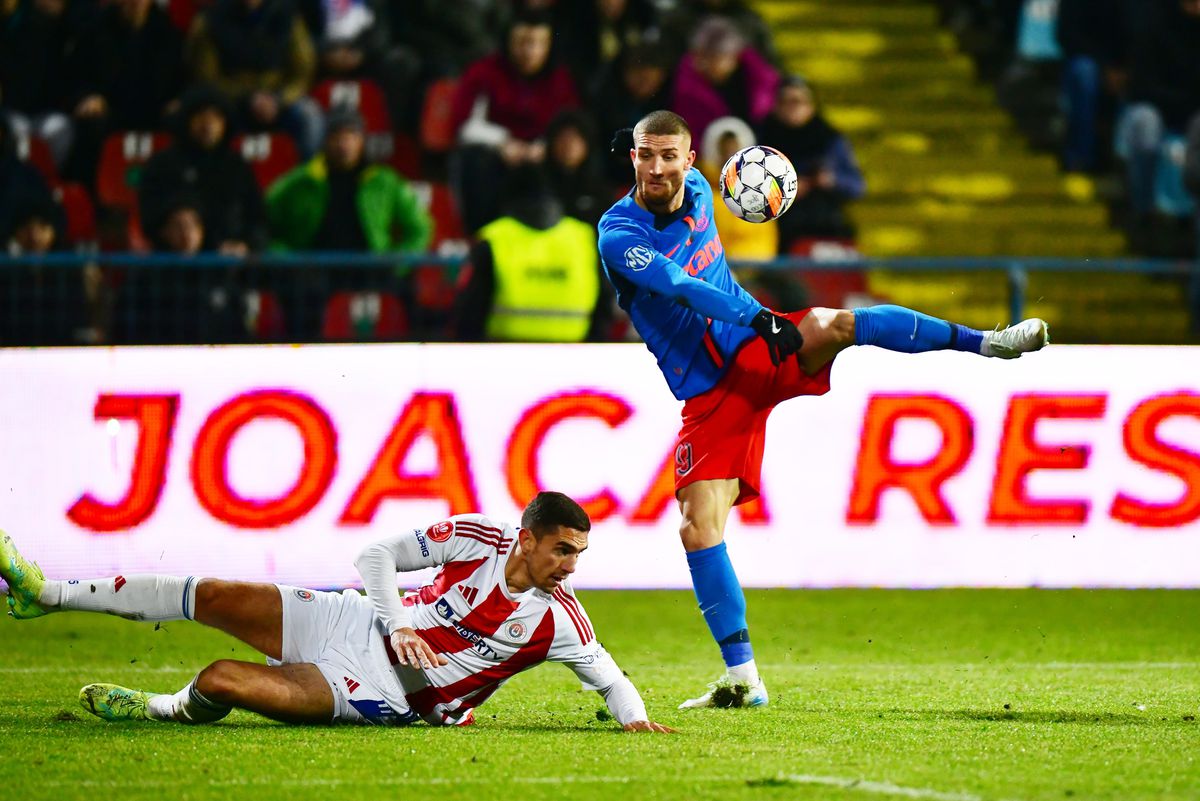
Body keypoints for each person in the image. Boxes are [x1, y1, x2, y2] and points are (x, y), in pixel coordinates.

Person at [597, 111, 1050, 709]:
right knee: (697, 526)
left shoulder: (707, 191)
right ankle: (745, 680)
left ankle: (988, 342)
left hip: (758, 349)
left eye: (668, 156)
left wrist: (759, 321)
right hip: (711, 390)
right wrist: (757, 315)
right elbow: (681, 286)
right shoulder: (618, 234)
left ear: (690, 161)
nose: (657, 168)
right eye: (645, 155)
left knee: (834, 324)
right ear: (631, 157)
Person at [0, 492, 675, 732]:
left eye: (580, 554)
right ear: (528, 537)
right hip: (355, 621)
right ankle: (44, 591)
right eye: (563, 549)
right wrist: (401, 621)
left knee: (218, 680)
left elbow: (610, 677)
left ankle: (160, 706)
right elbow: (376, 555)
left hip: (376, 692)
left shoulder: (560, 620)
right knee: (207, 593)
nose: (571, 566)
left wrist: (636, 719)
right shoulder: (479, 536)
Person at [448, 9, 580, 232]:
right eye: (522, 42)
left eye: (538, 43)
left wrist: (545, 146)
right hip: (497, 159)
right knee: (475, 161)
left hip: (544, 156)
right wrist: (503, 143)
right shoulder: (484, 73)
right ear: (508, 41)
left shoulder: (560, 78)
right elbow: (465, 125)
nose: (530, 52)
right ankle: (483, 236)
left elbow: (572, 125)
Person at [454, 165, 609, 342]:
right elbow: (605, 302)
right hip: (573, 355)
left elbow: (470, 310)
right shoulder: (584, 237)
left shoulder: (493, 238)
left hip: (503, 356)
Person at [138, 84, 268, 256]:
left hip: (231, 268)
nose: (208, 124)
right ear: (186, 120)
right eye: (201, 115)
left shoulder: (237, 166)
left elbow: (258, 219)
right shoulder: (163, 164)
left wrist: (246, 245)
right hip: (173, 266)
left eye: (216, 117)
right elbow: (149, 215)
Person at [184, 0, 323, 158]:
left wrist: (279, 99)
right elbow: (207, 77)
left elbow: (303, 69)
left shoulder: (287, 15)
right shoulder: (212, 19)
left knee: (309, 117)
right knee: (211, 121)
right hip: (231, 98)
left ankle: (303, 176)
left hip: (278, 96)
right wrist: (248, 98)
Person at [757, 75, 865, 252]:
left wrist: (830, 180)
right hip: (779, 234)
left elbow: (857, 186)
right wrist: (784, 192)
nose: (792, 107)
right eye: (785, 101)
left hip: (828, 229)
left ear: (811, 105)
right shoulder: (762, 141)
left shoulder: (830, 140)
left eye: (798, 101)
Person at [669, 15, 778, 146]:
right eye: (701, 57)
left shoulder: (761, 80)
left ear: (733, 56)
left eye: (716, 58)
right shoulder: (685, 87)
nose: (707, 64)